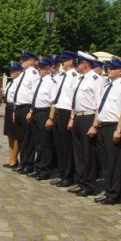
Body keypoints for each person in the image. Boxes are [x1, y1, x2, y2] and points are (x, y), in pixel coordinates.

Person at [93, 58, 121, 205]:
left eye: (112, 68)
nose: (108, 70)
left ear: (120, 71)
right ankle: (108, 190)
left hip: (113, 126)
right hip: (103, 125)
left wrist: (119, 129)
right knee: (105, 161)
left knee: (114, 162)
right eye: (108, 68)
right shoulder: (108, 85)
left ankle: (114, 194)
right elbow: (100, 107)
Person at [68, 52, 103, 197]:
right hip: (78, 117)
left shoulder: (96, 79)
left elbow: (99, 104)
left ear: (85, 64)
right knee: (79, 153)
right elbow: (75, 100)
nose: (76, 66)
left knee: (89, 153)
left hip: (89, 117)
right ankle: (81, 181)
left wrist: (95, 125)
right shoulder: (80, 79)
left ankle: (89, 184)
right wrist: (72, 117)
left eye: (78, 63)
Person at [50, 51, 79, 187]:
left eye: (64, 60)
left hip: (67, 112)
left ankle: (68, 175)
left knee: (67, 146)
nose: (62, 63)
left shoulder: (75, 76)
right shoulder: (62, 76)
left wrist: (72, 117)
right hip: (58, 111)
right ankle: (62, 173)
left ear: (71, 61)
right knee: (59, 145)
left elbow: (74, 99)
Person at [27, 57, 58, 180]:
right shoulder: (37, 81)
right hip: (36, 112)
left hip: (45, 113)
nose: (39, 69)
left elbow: (53, 103)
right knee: (37, 142)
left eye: (42, 67)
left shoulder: (51, 82)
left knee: (45, 142)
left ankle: (45, 170)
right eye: (39, 67)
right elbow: (35, 98)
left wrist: (50, 118)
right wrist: (31, 111)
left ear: (49, 68)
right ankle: (38, 167)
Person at [12, 51, 40, 172]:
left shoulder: (34, 74)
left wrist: (31, 110)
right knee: (21, 137)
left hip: (26, 108)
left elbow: (35, 94)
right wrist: (14, 109)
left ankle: (29, 164)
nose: (21, 62)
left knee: (28, 138)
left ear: (32, 61)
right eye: (22, 60)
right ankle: (23, 162)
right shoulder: (23, 74)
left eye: (24, 60)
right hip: (19, 108)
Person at [3, 62, 22, 168]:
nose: (11, 72)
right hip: (8, 107)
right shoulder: (11, 82)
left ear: (19, 71)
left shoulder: (19, 82)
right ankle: (10, 157)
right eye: (10, 70)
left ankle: (15, 158)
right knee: (9, 134)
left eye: (13, 70)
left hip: (15, 107)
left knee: (15, 135)